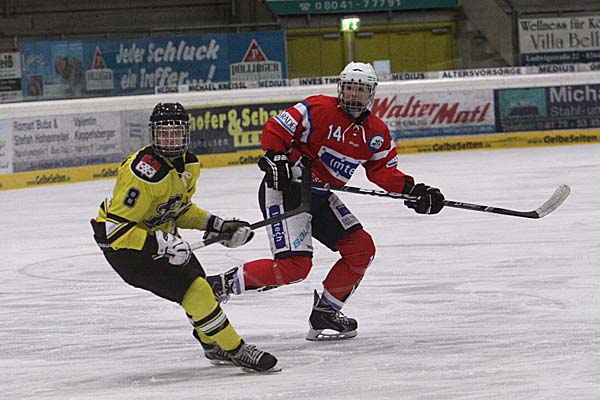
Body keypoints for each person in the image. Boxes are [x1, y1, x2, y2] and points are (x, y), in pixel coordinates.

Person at [207, 62, 445, 341]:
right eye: (350, 88)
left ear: (371, 94)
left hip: (320, 197)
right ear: (340, 89)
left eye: (361, 90)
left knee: (361, 249)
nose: (354, 95)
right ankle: (218, 285)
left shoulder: (376, 132)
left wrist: (413, 190)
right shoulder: (318, 108)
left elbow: (383, 172)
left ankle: (326, 312)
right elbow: (276, 128)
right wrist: (276, 157)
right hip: (288, 192)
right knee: (294, 266)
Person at [91, 102, 280, 372]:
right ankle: (235, 349)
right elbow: (115, 231)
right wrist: (161, 244)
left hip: (161, 238)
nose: (170, 140)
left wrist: (218, 225)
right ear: (153, 135)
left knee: (201, 290)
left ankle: (212, 344)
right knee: (196, 290)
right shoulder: (143, 174)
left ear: (186, 134)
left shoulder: (189, 165)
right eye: (163, 133)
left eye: (176, 133)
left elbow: (177, 209)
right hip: (128, 250)